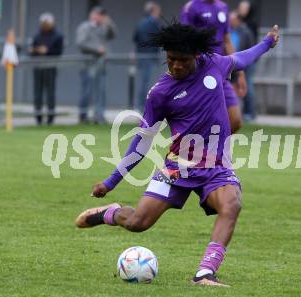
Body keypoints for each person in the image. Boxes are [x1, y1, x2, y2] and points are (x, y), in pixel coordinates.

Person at [75, 22, 279, 286]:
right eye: (171, 60)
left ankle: (205, 273)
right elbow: (141, 142)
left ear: (196, 56)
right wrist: (110, 182)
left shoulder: (213, 64)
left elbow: (241, 59)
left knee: (231, 204)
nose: (176, 66)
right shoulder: (160, 93)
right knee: (138, 222)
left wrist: (266, 44)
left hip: (215, 166)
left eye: (182, 60)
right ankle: (110, 213)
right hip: (177, 167)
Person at [180, 0, 247, 134]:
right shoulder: (192, 7)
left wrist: (240, 73)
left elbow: (227, 41)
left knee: (235, 121)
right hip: (199, 71)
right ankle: (192, 150)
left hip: (220, 69)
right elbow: (184, 39)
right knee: (202, 119)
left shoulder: (222, 7)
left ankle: (208, 148)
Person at [76, 6, 116, 124]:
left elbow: (113, 35)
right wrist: (96, 49)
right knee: (86, 91)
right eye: (98, 14)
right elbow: (80, 43)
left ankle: (99, 116)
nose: (100, 17)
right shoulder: (84, 27)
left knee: (101, 90)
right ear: (92, 15)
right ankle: (83, 115)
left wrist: (109, 23)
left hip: (101, 65)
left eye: (102, 15)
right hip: (88, 64)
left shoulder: (104, 27)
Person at [29, 12, 63, 125]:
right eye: (43, 23)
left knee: (50, 93)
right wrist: (35, 50)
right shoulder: (37, 36)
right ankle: (38, 117)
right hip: (38, 67)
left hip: (50, 68)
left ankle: (50, 118)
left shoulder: (57, 36)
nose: (45, 25)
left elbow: (59, 51)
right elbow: (31, 50)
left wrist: (47, 51)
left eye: (47, 23)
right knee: (37, 93)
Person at [133, 1, 162, 113]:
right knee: (150, 83)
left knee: (143, 82)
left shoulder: (140, 23)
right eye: (158, 11)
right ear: (153, 11)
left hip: (141, 56)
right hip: (151, 57)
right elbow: (160, 38)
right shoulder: (155, 23)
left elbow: (135, 38)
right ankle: (146, 107)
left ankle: (141, 106)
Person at [229, 10, 257, 122]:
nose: (230, 22)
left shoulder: (245, 32)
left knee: (247, 86)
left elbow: (252, 49)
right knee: (232, 87)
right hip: (233, 63)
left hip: (246, 64)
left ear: (238, 20)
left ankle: (250, 113)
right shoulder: (229, 31)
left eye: (232, 20)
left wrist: (249, 63)